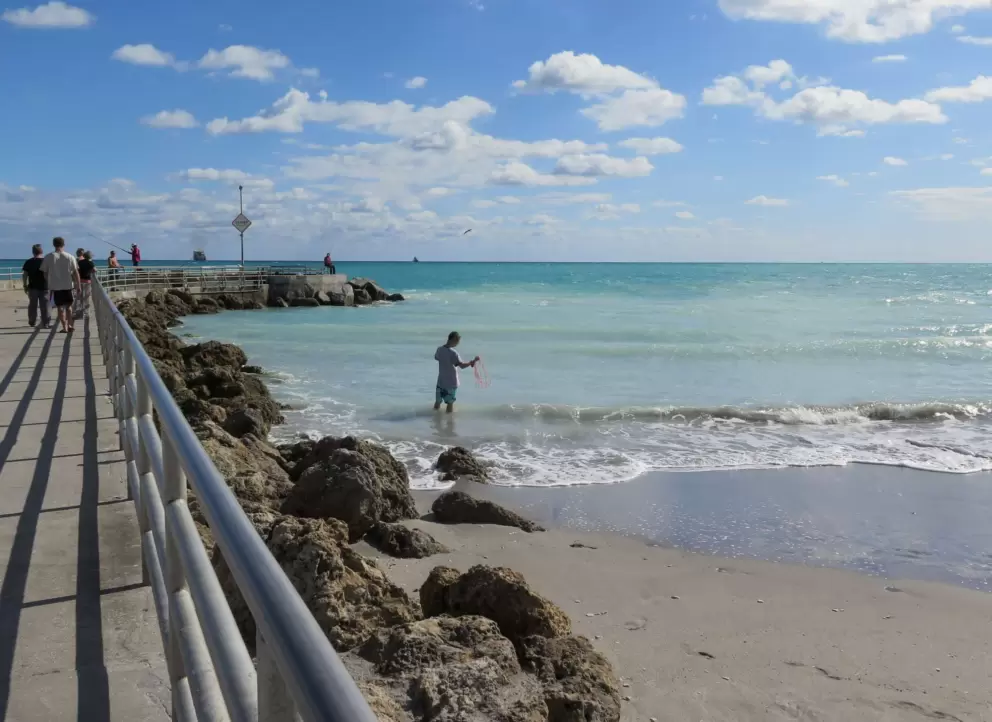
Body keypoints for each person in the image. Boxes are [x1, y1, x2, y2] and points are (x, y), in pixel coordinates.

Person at [41, 236, 80, 333]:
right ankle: (70, 324)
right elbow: (75, 272)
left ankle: (65, 327)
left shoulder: (48, 257)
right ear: (63, 244)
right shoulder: (70, 256)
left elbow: (44, 272)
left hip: (55, 286)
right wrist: (78, 285)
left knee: (60, 308)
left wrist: (49, 281)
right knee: (69, 307)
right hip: (68, 286)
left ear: (54, 244)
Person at [433, 331, 479, 413]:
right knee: (450, 403)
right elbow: (461, 366)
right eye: (457, 341)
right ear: (454, 339)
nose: (457, 344)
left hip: (441, 381)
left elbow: (436, 358)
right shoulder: (453, 353)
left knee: (437, 402)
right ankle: (449, 422)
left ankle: (435, 420)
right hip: (451, 383)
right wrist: (472, 362)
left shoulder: (439, 349)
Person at [21, 243, 50, 329]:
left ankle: (32, 321)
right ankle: (45, 323)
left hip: (32, 287)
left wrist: (24, 285)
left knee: (32, 305)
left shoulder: (29, 262)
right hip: (45, 287)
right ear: (42, 251)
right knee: (45, 306)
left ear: (33, 252)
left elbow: (25, 274)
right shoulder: (46, 261)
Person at [76, 250, 95, 319]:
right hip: (87, 281)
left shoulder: (80, 262)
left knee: (80, 297)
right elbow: (94, 270)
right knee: (86, 297)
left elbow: (77, 270)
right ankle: (86, 313)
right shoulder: (91, 263)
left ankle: (80, 312)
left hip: (80, 281)